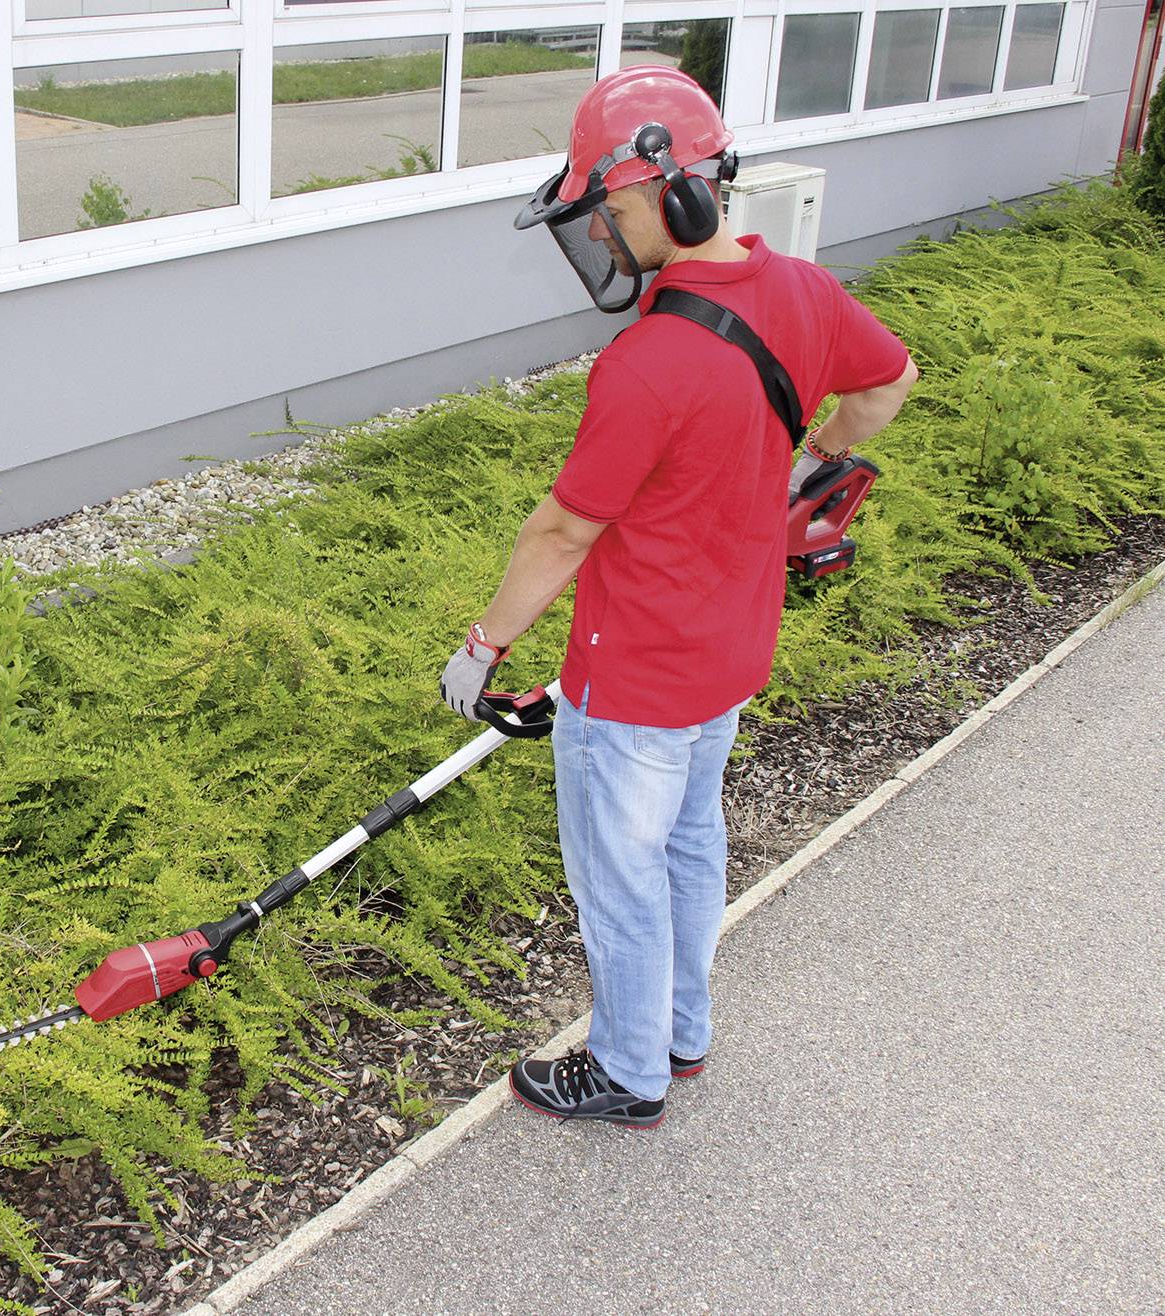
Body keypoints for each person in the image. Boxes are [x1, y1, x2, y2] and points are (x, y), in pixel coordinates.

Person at [439, 65, 918, 1129]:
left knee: (619, 876)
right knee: (691, 840)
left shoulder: (646, 362)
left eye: (606, 210)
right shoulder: (803, 292)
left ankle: (624, 1070)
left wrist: (478, 650)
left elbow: (562, 529)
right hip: (729, 658)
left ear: (674, 194)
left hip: (634, 678)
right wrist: (813, 459)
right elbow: (889, 380)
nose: (602, 236)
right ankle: (680, 1030)